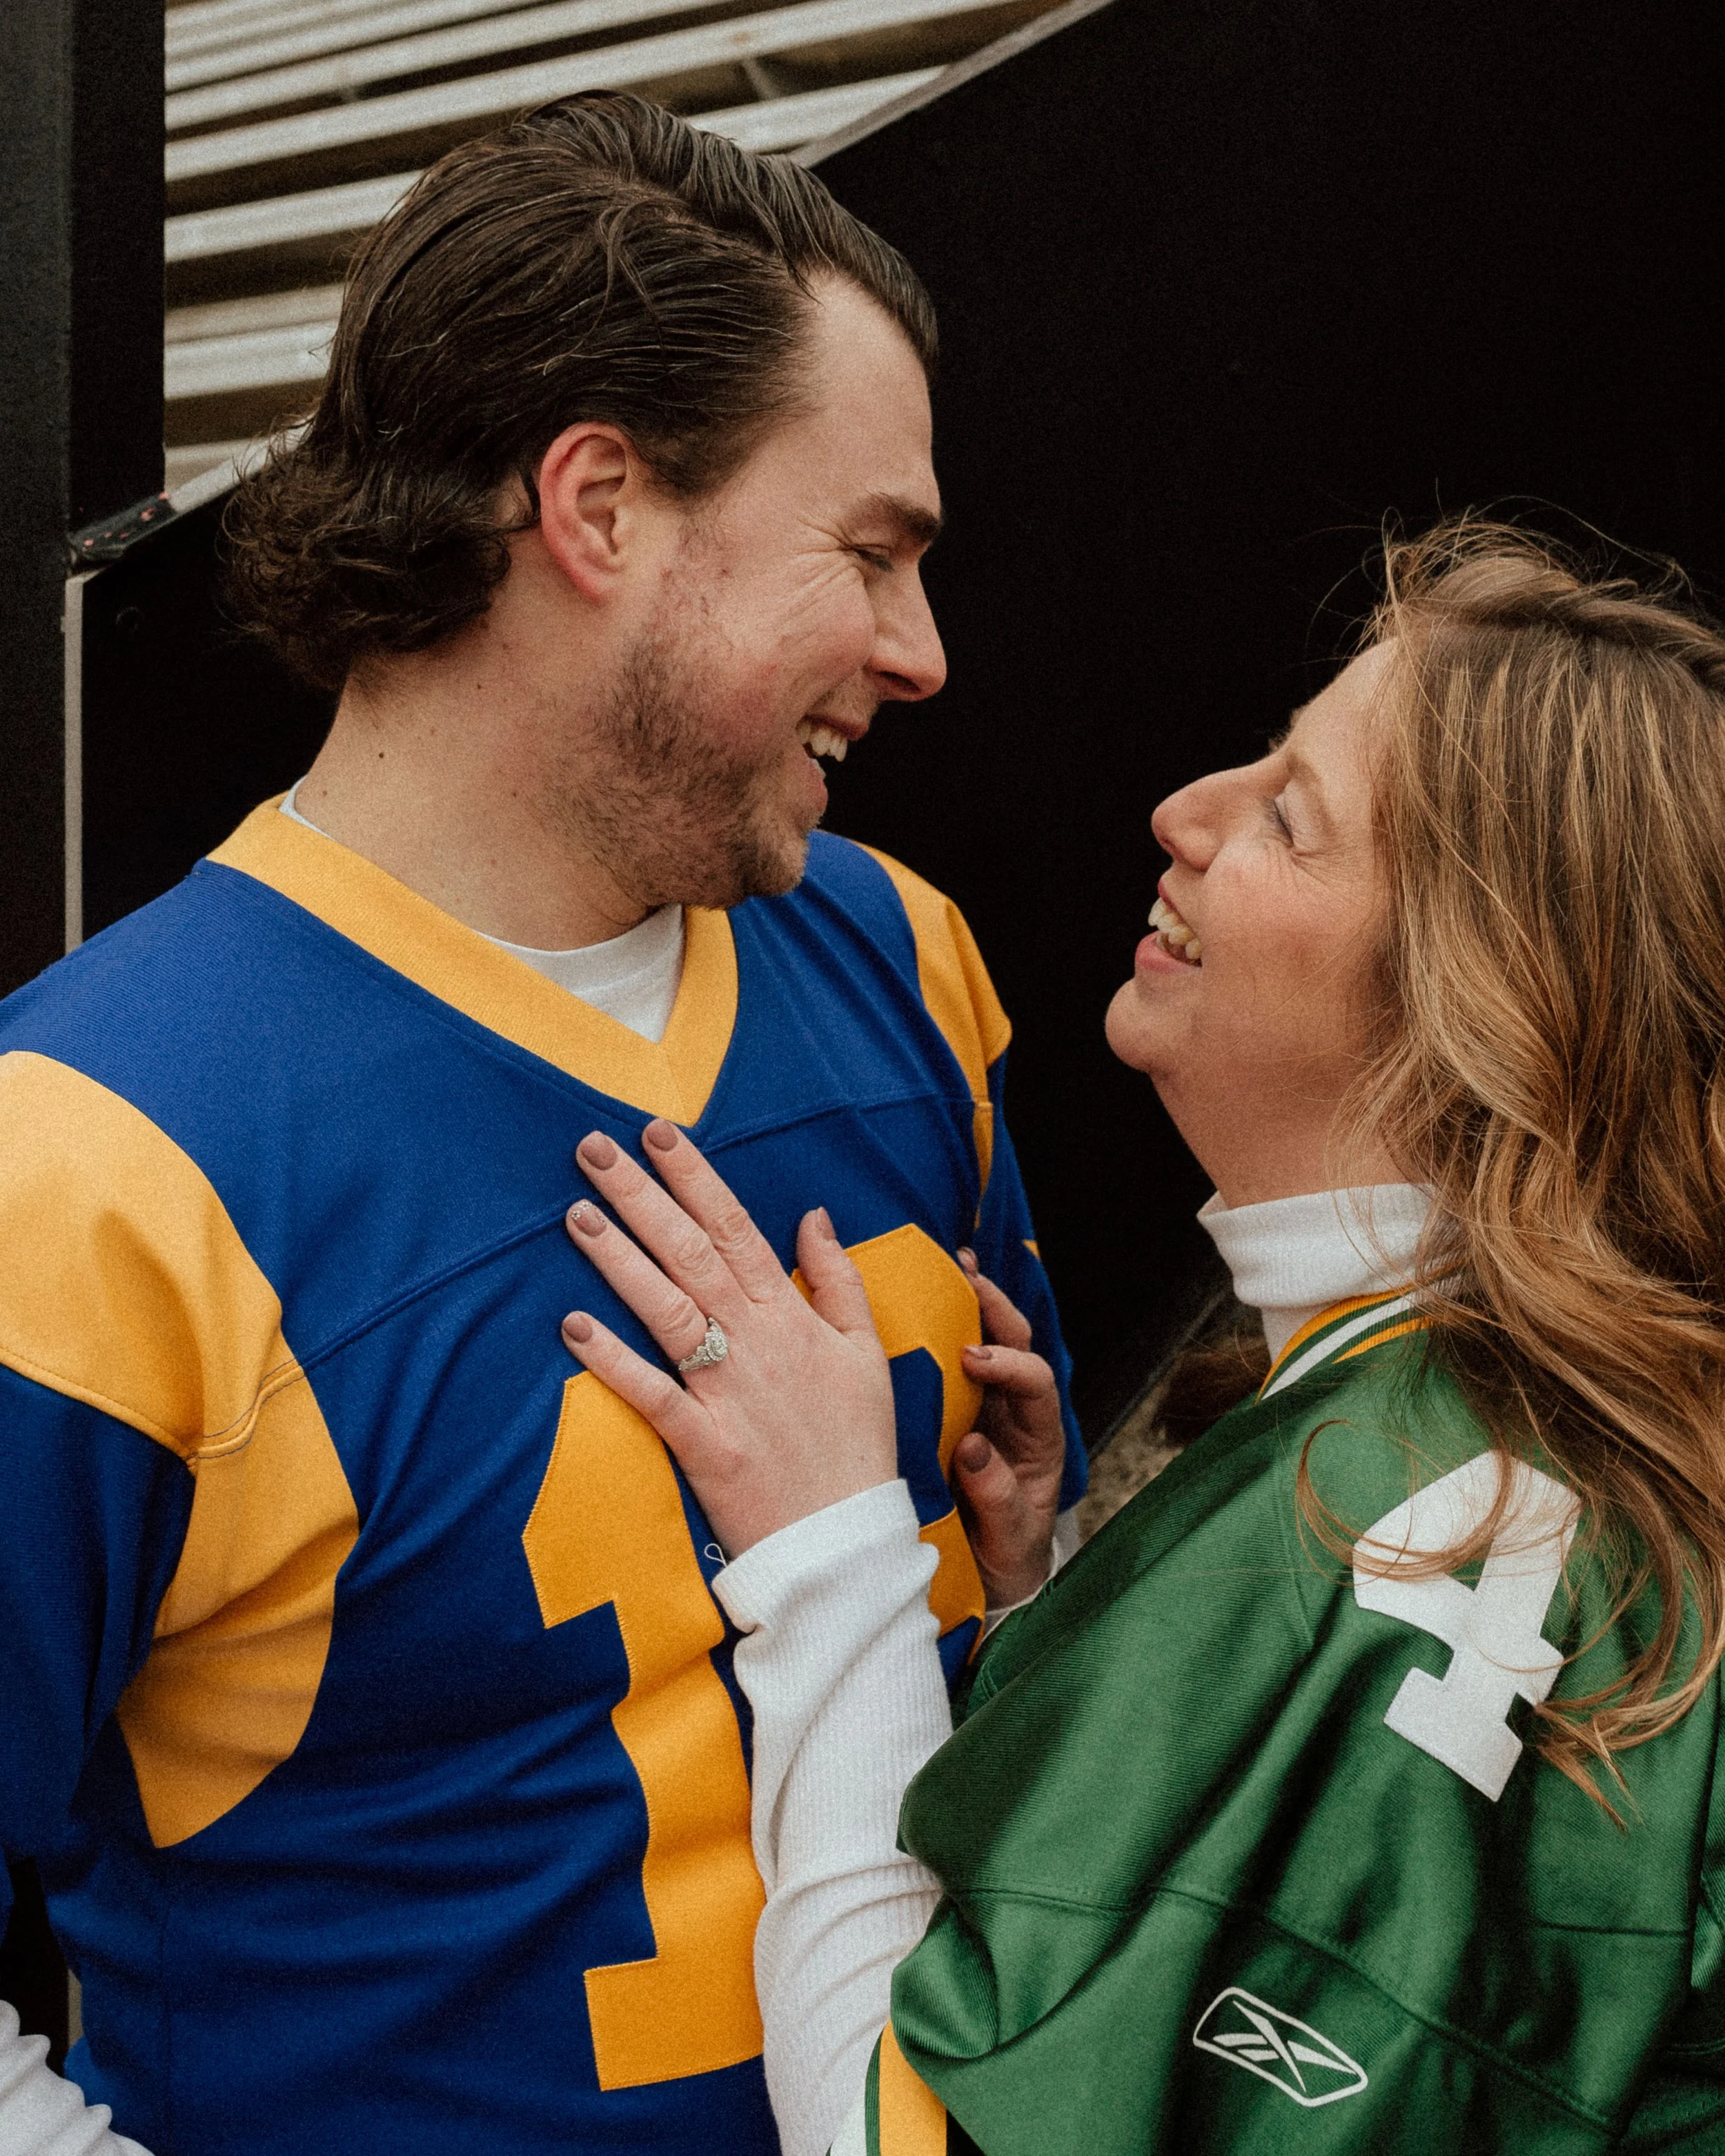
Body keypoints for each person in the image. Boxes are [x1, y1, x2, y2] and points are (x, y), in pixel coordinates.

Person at [0, 95, 1085, 2156]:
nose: (920, 652)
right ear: (597, 504)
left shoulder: (904, 957)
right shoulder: (78, 1160)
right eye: (864, 553)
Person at [561, 520, 1725, 2155]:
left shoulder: (1411, 1525)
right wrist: (1067, 1623)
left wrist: (828, 1557)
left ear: (1482, 991)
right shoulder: (1483, 1421)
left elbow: (910, 2140)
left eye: (1287, 815)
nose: (1184, 814)